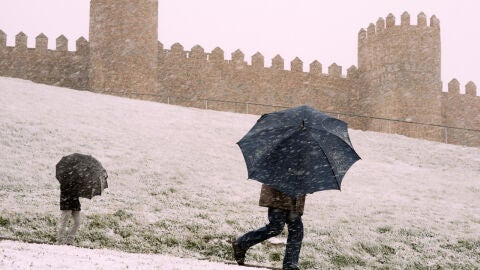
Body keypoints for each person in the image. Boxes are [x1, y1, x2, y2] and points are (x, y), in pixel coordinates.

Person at [232, 184, 306, 270]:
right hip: (279, 197)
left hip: (294, 199)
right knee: (276, 227)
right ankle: (241, 244)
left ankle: (290, 265)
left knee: (297, 230)